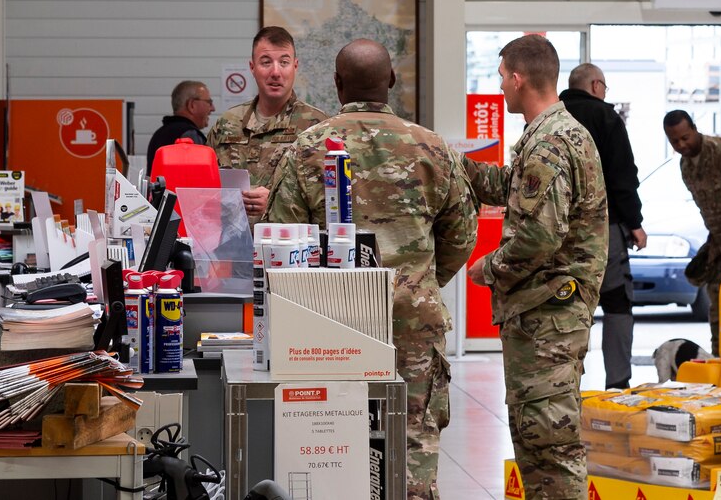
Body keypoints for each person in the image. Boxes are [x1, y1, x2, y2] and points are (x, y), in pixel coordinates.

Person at [264, 39, 477, 500]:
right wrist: (418, 282)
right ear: (392, 82)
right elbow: (462, 235)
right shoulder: (433, 147)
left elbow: (282, 240)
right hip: (414, 321)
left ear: (337, 85)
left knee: (331, 440)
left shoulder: (309, 148)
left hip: (332, 323)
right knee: (415, 439)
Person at [464, 35, 607, 499]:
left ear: (519, 78)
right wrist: (453, 163)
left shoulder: (548, 142)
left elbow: (541, 236)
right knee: (537, 437)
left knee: (549, 445)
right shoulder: (552, 134)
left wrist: (491, 268)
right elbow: (511, 187)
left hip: (549, 316)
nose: (500, 85)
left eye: (502, 76)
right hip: (546, 313)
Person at [559, 63, 647, 390]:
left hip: (556, 232)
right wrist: (635, 223)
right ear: (596, 85)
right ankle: (618, 385)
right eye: (605, 87)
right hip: (602, 230)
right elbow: (623, 176)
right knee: (617, 301)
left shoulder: (552, 116)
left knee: (567, 305)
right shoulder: (607, 118)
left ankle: (565, 385)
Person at [207, 26, 327, 222]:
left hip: (289, 248)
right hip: (230, 248)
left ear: (295, 67)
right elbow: (205, 190)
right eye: (265, 62)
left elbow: (328, 204)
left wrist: (274, 203)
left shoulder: (316, 127)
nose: (275, 72)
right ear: (252, 68)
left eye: (284, 62)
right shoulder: (227, 124)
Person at [662, 109, 721, 356]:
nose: (681, 145)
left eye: (685, 137)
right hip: (720, 248)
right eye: (674, 141)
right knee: (718, 313)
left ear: (695, 128)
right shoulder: (686, 166)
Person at [146, 80, 214, 174]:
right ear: (192, 105)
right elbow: (199, 177)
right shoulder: (190, 135)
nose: (213, 108)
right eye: (209, 102)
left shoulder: (159, 134)